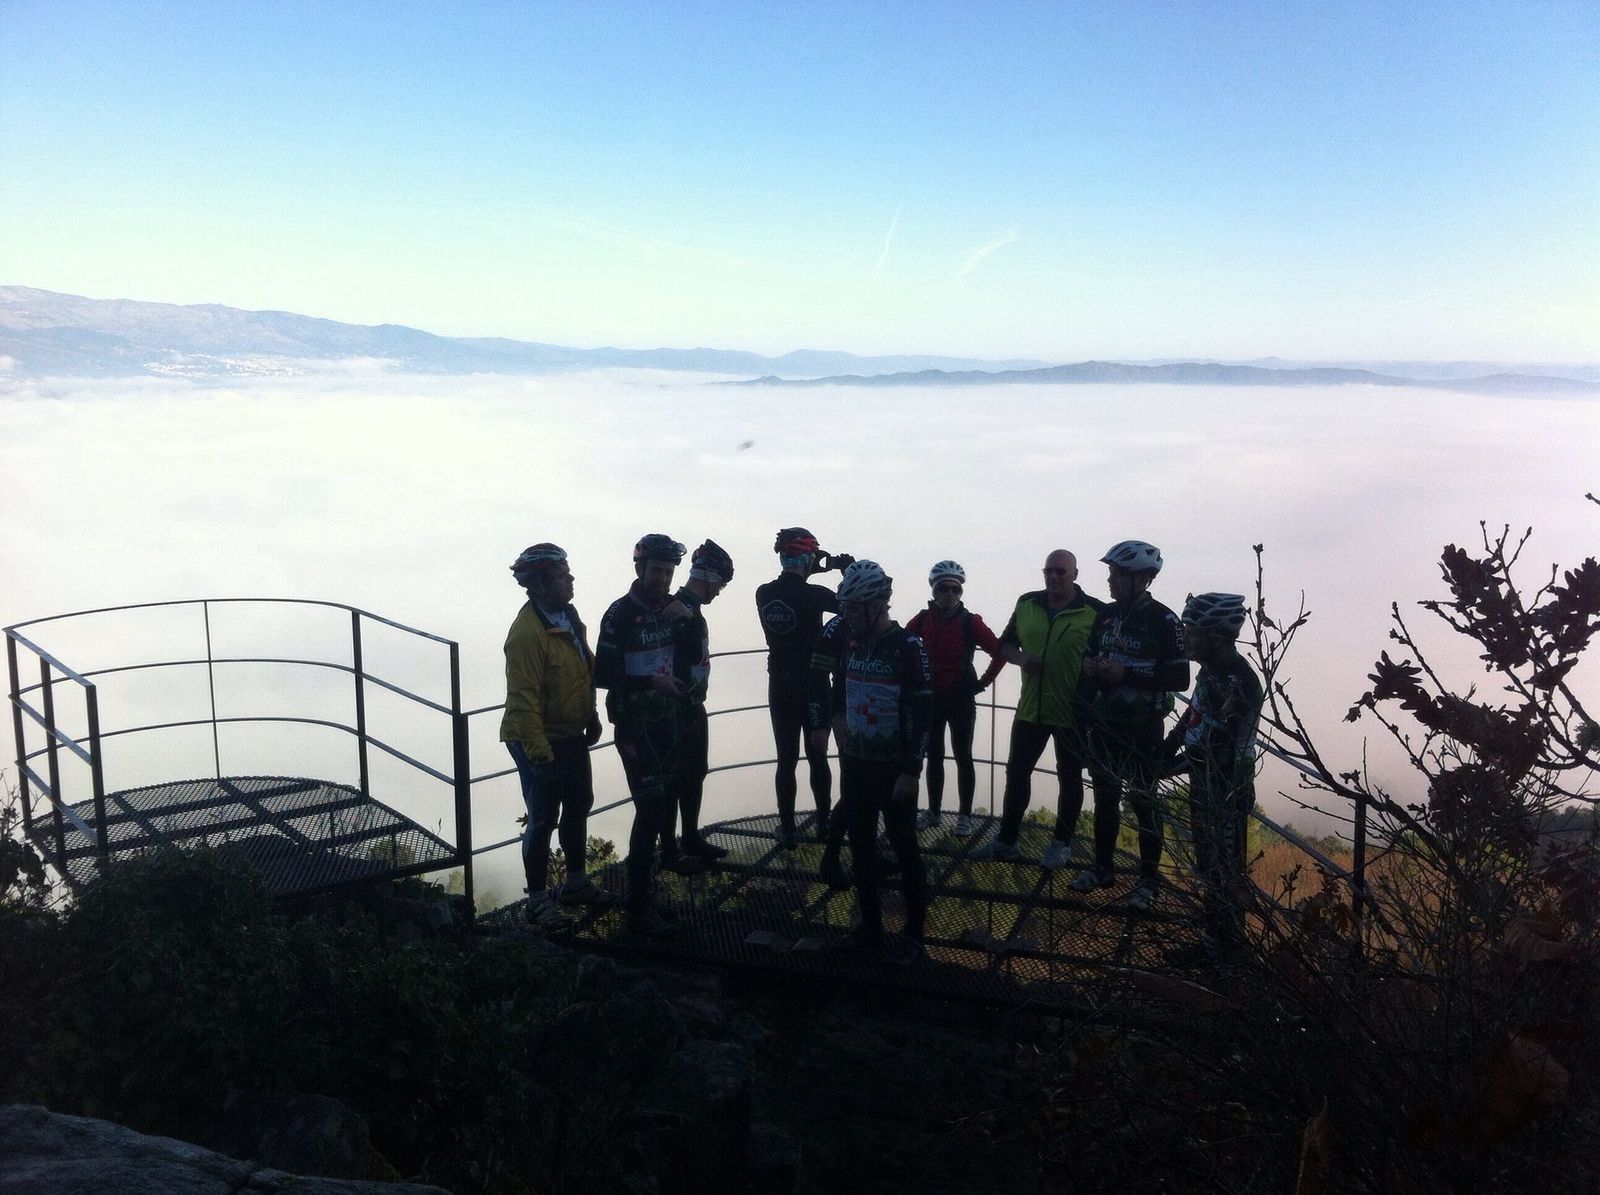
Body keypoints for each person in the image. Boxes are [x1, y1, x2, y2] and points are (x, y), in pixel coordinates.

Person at [807, 561, 933, 964]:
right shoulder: (850, 639)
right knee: (861, 846)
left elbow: (923, 713)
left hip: (893, 767)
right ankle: (870, 928)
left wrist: (912, 770)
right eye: (845, 607)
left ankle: (913, 935)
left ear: (877, 605)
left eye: (853, 608)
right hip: (856, 761)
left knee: (905, 848)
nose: (846, 615)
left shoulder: (909, 647)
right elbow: (837, 682)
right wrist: (835, 716)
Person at [500, 542, 614, 928]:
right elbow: (523, 699)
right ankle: (537, 901)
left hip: (569, 732)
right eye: (564, 575)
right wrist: (539, 753)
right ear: (542, 583)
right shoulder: (526, 635)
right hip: (536, 737)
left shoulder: (567, 616)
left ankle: (576, 884)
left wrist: (591, 715)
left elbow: (581, 669)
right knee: (543, 818)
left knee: (579, 804)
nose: (571, 579)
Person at [1072, 541, 1191, 910]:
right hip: (1105, 723)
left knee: (1143, 801)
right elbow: (1091, 655)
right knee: (1105, 798)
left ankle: (1148, 880)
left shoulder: (1165, 620)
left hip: (1144, 726)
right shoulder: (1106, 615)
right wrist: (1090, 670)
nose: (1110, 580)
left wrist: (1126, 674)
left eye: (1118, 575)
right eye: (1110, 573)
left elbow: (1180, 677)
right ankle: (1102, 868)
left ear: (1142, 579)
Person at [973, 549, 1103, 862]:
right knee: (1017, 774)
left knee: (1069, 777)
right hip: (1031, 708)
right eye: (1049, 571)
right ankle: (1006, 841)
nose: (1054, 577)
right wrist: (1021, 659)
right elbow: (1004, 645)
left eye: (1061, 571)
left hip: (1073, 711)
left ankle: (1061, 844)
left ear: (1075, 574)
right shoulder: (1027, 603)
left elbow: (1105, 656)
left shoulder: (1095, 611)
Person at [596, 533, 693, 939]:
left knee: (666, 803)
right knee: (650, 810)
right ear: (639, 569)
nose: (663, 579)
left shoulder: (672, 609)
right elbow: (603, 674)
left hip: (668, 719)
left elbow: (690, 658)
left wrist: (686, 622)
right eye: (656, 571)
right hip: (634, 725)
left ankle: (648, 897)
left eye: (669, 573)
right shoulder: (619, 614)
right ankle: (637, 910)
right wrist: (650, 682)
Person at [1164, 592, 1263, 965]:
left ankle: (1227, 955)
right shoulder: (1211, 671)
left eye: (1192, 631)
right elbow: (1193, 715)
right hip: (1206, 783)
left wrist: (1165, 766)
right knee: (1209, 866)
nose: (1186, 638)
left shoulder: (1239, 680)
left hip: (1226, 788)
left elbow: (1217, 747)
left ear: (1216, 636)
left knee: (1225, 870)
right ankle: (1212, 945)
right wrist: (1165, 749)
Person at [756, 527, 854, 849]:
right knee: (818, 756)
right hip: (814, 683)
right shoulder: (816, 595)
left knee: (786, 758)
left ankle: (787, 830)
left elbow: (793, 585)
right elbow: (850, 605)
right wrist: (842, 568)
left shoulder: (763, 594)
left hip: (779, 684)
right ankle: (824, 824)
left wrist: (812, 567)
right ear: (809, 557)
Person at [905, 560, 1007, 837]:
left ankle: (964, 817)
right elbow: (900, 646)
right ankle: (934, 811)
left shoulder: (971, 622)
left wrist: (983, 683)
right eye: (944, 588)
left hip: (960, 697)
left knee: (963, 755)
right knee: (934, 755)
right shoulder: (922, 620)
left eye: (956, 589)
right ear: (934, 590)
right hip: (931, 698)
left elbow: (999, 651)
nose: (950, 594)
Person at [659, 539, 736, 868]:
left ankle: (689, 837)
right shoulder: (680, 610)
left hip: (692, 703)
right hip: (679, 706)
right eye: (721, 583)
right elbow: (676, 658)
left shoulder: (690, 609)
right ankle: (670, 848)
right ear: (708, 576)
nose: (719, 591)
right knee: (676, 777)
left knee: (694, 773)